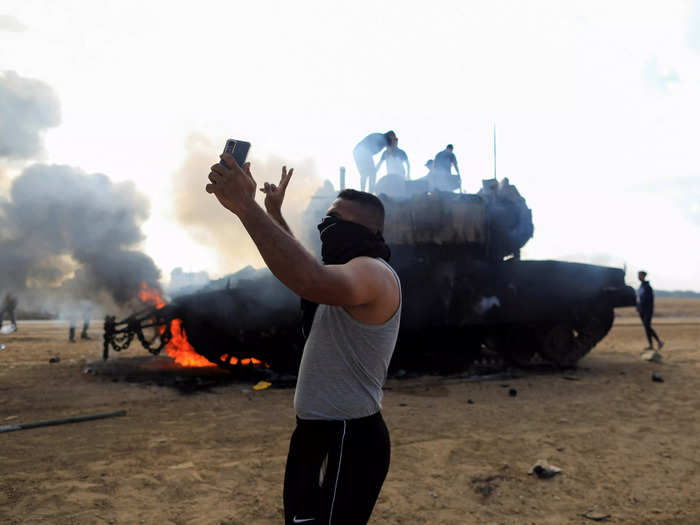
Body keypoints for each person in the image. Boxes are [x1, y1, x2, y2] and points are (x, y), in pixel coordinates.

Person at [207, 153, 401, 525]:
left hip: (350, 435)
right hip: (315, 429)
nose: (326, 225)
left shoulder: (374, 273)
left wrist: (247, 209)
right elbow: (308, 268)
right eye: (327, 217)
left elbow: (309, 278)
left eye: (336, 219)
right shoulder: (345, 274)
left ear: (369, 231)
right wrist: (274, 214)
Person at [637, 271, 663, 351]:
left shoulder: (647, 287)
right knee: (646, 327)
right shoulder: (641, 286)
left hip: (647, 310)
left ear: (644, 276)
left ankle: (657, 342)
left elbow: (647, 300)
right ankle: (653, 344)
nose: (639, 277)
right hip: (642, 310)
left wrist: (642, 306)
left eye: (640, 275)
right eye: (638, 275)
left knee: (647, 326)